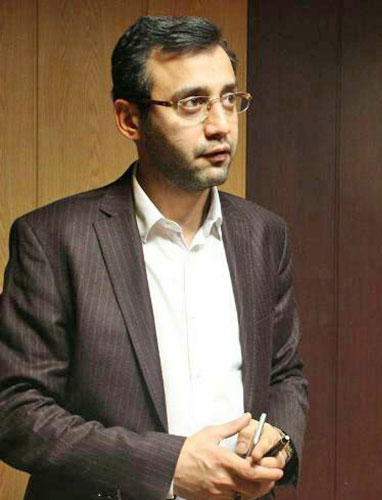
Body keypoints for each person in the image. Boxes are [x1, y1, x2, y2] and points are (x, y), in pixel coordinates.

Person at [0, 16, 308, 500]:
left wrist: (281, 442)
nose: (221, 125)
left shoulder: (264, 234)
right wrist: (167, 466)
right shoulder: (53, 239)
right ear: (130, 119)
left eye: (229, 98)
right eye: (192, 103)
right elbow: (16, 409)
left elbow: (284, 374)